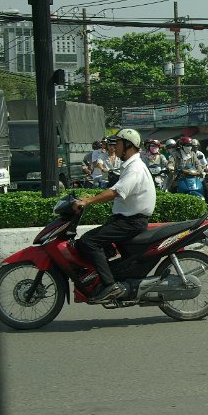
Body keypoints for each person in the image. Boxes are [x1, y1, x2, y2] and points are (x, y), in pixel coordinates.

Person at [73, 128, 156, 302]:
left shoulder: (135, 168)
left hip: (130, 222)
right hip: (125, 220)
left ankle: (110, 285)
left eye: (117, 143)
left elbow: (117, 192)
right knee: (98, 244)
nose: (114, 147)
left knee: (89, 241)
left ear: (128, 145)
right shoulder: (129, 165)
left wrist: (88, 201)